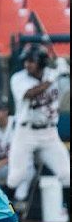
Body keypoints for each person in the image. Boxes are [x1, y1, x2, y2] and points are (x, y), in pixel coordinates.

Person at [7, 44, 70, 210]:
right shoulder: (18, 78)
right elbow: (30, 93)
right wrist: (54, 77)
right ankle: (5, 213)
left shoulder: (54, 74)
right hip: (25, 132)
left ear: (42, 62)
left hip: (49, 132)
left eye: (32, 61)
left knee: (67, 174)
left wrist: (66, 70)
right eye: (26, 61)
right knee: (15, 177)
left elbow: (67, 90)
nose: (27, 64)